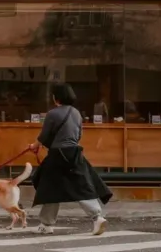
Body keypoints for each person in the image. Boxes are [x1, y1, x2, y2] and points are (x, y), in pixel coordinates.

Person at [24, 83, 113, 235]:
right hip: (74, 153)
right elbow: (79, 135)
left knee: (50, 187)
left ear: (55, 97)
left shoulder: (53, 114)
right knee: (81, 186)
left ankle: (46, 224)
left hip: (57, 155)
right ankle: (97, 217)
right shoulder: (76, 113)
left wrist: (34, 146)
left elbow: (44, 136)